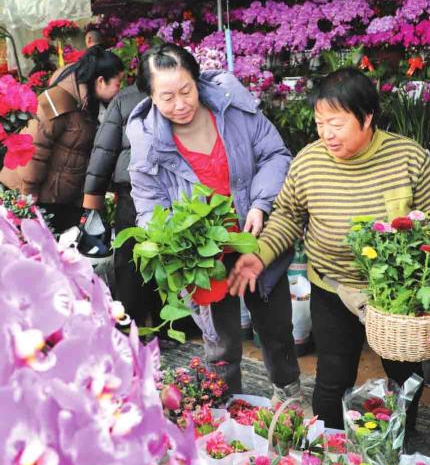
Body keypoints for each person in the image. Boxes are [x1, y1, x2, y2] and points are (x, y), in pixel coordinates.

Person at [229, 68, 430, 431]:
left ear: (367, 117)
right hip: (333, 286)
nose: (326, 134)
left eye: (336, 123)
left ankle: (398, 441)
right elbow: (288, 217)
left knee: (404, 375)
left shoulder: (407, 157)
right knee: (332, 376)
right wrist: (260, 254)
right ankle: (329, 445)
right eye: (320, 123)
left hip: (394, 295)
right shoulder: (308, 162)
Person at [125, 43, 301, 399]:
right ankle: (223, 408)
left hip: (258, 242)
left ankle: (288, 396)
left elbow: (275, 155)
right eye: (167, 97)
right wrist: (177, 242)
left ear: (198, 81)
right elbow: (148, 208)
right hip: (205, 260)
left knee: (276, 330)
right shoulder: (147, 143)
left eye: (186, 91)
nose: (180, 104)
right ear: (151, 97)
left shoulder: (234, 110)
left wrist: (261, 204)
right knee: (220, 344)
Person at [0, 45, 123, 232]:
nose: (120, 90)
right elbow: (33, 150)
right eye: (118, 84)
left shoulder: (88, 102)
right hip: (40, 196)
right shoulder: (57, 102)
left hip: (62, 196)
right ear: (100, 81)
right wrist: (28, 199)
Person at [82, 78, 162, 329]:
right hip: (162, 186)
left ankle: (130, 321)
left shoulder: (125, 98)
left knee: (130, 256)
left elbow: (103, 150)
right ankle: (171, 325)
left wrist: (93, 197)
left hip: (132, 188)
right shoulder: (184, 92)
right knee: (164, 254)